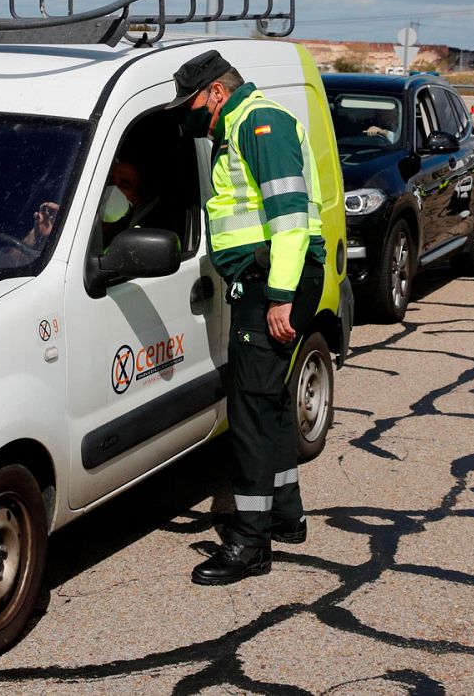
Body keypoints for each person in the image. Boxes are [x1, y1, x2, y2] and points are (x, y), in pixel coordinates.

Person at [169, 49, 327, 586]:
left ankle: (249, 542)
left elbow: (288, 221)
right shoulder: (241, 125)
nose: (197, 117)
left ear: (217, 90)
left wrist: (280, 295)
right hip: (267, 280)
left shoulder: (260, 124)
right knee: (272, 400)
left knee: (251, 411)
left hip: (274, 282)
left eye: (197, 105)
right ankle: (286, 514)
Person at [21, 159, 141, 252]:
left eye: (124, 185)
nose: (114, 189)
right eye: (109, 181)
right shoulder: (66, 220)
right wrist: (38, 240)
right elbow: (11, 258)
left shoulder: (137, 239)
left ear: (135, 199)